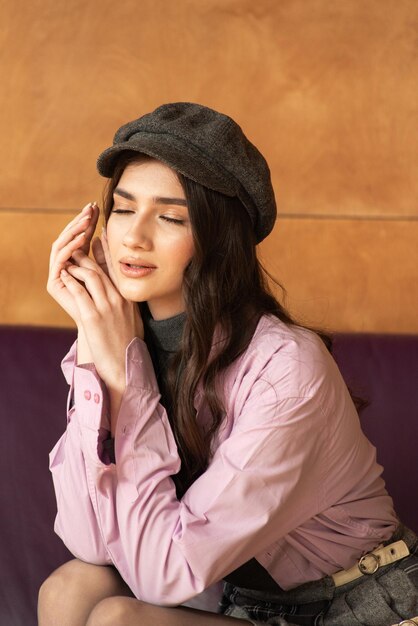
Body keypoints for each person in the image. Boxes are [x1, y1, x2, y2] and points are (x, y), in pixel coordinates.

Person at [39, 102, 418, 626]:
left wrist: (126, 378)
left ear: (219, 240)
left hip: (363, 606)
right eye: (123, 209)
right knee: (69, 588)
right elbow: (89, 539)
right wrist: (98, 353)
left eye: (170, 217)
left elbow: (161, 576)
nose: (134, 236)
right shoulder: (120, 340)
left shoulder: (286, 369)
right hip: (253, 609)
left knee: (116, 619)